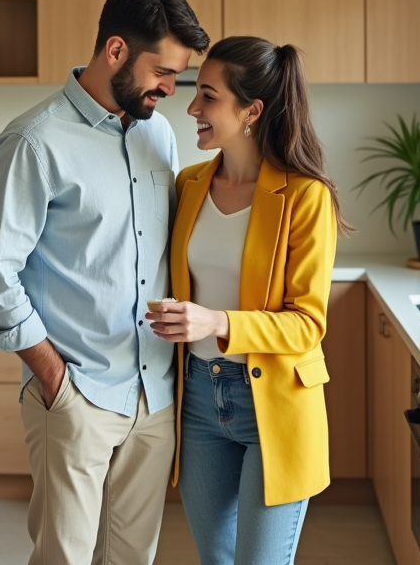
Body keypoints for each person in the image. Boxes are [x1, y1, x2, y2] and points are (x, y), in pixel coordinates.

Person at [0, 0, 210, 565]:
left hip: (154, 396)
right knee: (65, 558)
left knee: (133, 558)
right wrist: (55, 379)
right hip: (76, 393)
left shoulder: (158, 133)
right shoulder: (34, 141)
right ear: (116, 51)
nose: (170, 88)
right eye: (162, 72)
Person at [146, 36, 348, 565]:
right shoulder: (188, 185)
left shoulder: (306, 195)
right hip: (198, 401)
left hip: (274, 406)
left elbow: (307, 325)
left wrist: (214, 320)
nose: (191, 107)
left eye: (207, 96)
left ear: (251, 110)